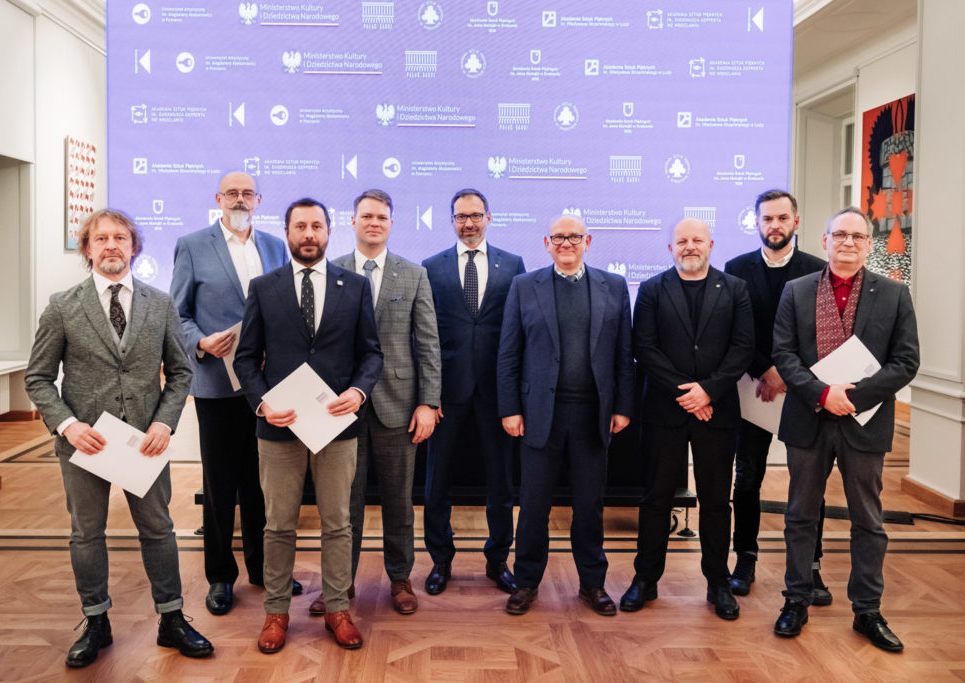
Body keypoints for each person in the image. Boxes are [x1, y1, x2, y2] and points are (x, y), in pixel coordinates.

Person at [24, 209, 213, 668]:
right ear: (87, 249)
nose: (111, 245)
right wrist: (69, 425)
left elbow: (182, 370)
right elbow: (38, 379)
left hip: (143, 443)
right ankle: (96, 621)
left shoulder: (160, 303)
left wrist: (164, 423)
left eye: (120, 238)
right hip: (85, 444)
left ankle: (171, 618)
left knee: (159, 530)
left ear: (134, 247)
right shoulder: (63, 305)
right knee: (86, 534)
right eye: (100, 238)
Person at [233, 198, 382, 652]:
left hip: (337, 426)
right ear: (288, 231)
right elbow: (245, 358)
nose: (309, 234)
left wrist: (358, 393)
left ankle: (337, 608)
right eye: (301, 226)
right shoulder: (264, 286)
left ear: (329, 230)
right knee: (278, 525)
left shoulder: (354, 287)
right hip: (279, 426)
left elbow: (371, 353)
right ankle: (276, 613)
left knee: (338, 523)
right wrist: (261, 404)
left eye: (317, 225)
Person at [771, 207, 919, 651]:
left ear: (869, 244)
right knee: (800, 515)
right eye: (840, 235)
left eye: (858, 236)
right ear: (825, 239)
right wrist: (821, 393)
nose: (848, 242)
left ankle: (868, 611)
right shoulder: (795, 291)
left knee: (868, 521)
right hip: (808, 418)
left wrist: (853, 397)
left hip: (865, 421)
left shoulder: (894, 294)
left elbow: (906, 361)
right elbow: (784, 354)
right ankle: (795, 599)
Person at [170, 171, 295, 616]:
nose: (240, 199)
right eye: (232, 193)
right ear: (218, 198)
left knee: (263, 484)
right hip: (217, 385)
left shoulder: (276, 247)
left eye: (248, 193)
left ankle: (264, 569)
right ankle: (221, 577)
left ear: (258, 200)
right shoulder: (192, 245)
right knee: (220, 486)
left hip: (267, 385)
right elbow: (176, 314)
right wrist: (201, 342)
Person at [497, 214, 633, 616]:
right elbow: (508, 353)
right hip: (540, 414)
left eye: (574, 236)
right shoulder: (524, 286)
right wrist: (510, 408)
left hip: (593, 415)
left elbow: (624, 354)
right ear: (546, 242)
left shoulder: (614, 286)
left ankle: (592, 584)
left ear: (587, 241)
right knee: (534, 505)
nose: (566, 243)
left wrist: (624, 405)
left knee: (589, 506)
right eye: (558, 237)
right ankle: (526, 583)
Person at [621, 218, 754, 620]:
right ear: (670, 249)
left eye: (697, 240)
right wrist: (689, 394)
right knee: (656, 499)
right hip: (665, 411)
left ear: (711, 244)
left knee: (716, 501)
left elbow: (743, 347)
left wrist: (709, 390)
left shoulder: (735, 289)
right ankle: (646, 579)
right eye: (682, 241)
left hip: (717, 412)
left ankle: (717, 582)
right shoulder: (652, 289)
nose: (690, 246)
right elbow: (644, 348)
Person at [330, 189, 441, 615]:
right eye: (366, 216)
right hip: (341, 408)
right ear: (353, 221)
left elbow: (429, 343)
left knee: (399, 501)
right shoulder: (332, 269)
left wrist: (429, 402)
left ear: (391, 224)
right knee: (343, 504)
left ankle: (400, 580)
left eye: (381, 217)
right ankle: (340, 584)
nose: (373, 222)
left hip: (399, 406)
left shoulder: (413, 275)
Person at [723, 189, 831, 603]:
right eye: (767, 219)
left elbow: (823, 336)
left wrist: (786, 375)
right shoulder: (735, 269)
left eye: (782, 218)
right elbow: (733, 331)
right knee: (747, 478)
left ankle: (811, 568)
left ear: (796, 222)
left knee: (809, 482)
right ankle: (744, 559)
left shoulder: (817, 270)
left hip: (801, 391)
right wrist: (763, 370)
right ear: (756, 224)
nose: (775, 226)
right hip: (753, 392)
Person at [421, 188, 525, 596]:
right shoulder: (432, 267)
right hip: (446, 393)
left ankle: (498, 560)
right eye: (461, 216)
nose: (469, 222)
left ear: (488, 218)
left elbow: (517, 332)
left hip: (497, 391)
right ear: (451, 221)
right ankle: (440, 562)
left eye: (476, 215)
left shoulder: (512, 264)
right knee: (436, 482)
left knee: (501, 481)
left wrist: (514, 394)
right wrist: (429, 396)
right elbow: (425, 336)